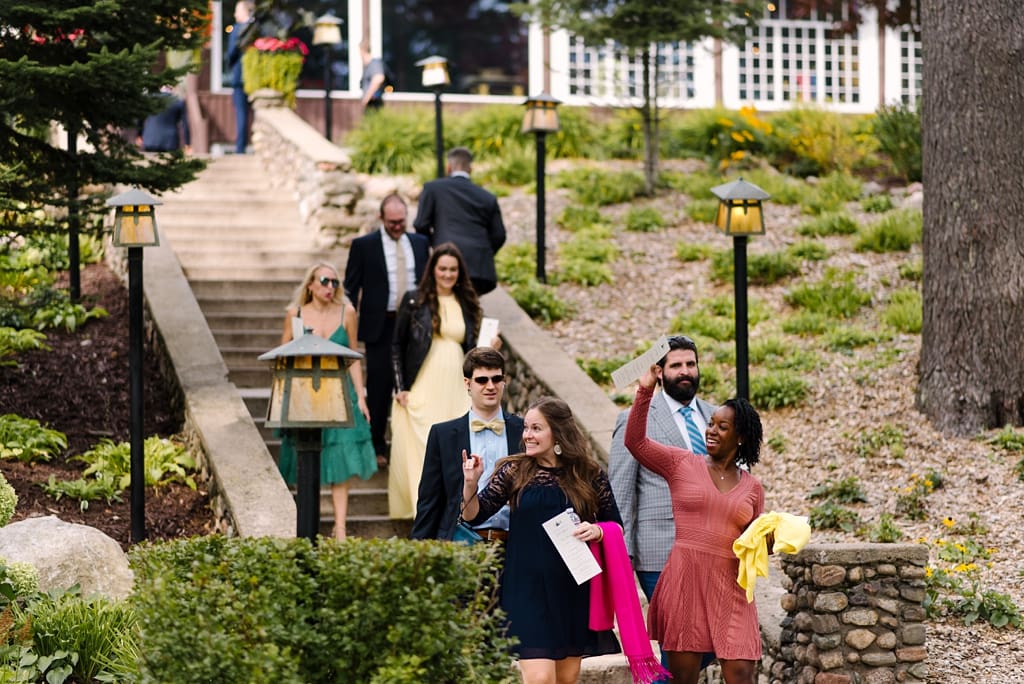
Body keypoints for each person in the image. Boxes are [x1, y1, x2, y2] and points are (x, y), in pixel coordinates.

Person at [461, 396, 622, 684]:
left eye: (536, 428)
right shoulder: (515, 470)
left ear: (557, 432)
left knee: (566, 679)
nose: (527, 435)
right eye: (526, 428)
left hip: (573, 587)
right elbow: (475, 514)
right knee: (539, 679)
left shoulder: (589, 473)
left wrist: (597, 530)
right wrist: (470, 484)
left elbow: (615, 524)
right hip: (526, 588)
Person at [624, 363, 765, 684]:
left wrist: (768, 542)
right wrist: (645, 391)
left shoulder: (753, 488)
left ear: (741, 437)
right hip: (686, 583)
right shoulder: (681, 463)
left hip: (732, 588)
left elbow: (753, 543)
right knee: (683, 678)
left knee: (742, 673)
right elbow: (636, 443)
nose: (711, 431)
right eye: (710, 424)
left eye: (722, 427)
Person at [608, 335, 717, 675]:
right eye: (676, 365)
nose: (685, 371)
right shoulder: (636, 419)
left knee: (708, 645)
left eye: (690, 364)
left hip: (714, 550)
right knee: (680, 641)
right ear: (658, 371)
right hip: (660, 552)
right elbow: (620, 489)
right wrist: (620, 552)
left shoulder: (716, 416)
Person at [388, 243, 493, 519]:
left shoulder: (468, 304)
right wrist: (401, 387)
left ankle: (455, 511)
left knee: (458, 447)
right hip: (424, 382)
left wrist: (490, 346)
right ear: (433, 270)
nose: (447, 274)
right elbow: (397, 346)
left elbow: (475, 349)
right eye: (442, 268)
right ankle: (423, 511)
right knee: (424, 445)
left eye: (453, 269)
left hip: (458, 384)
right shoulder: (414, 301)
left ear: (460, 273)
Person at [275, 262, 377, 540]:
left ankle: (340, 526)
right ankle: (306, 522)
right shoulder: (295, 314)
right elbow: (283, 357)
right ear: (310, 285)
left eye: (335, 282)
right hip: (304, 392)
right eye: (324, 281)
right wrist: (283, 395)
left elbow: (353, 357)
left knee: (341, 456)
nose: (331, 287)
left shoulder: (348, 312)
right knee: (303, 455)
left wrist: (362, 396)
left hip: (339, 391)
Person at [343, 194, 429, 468]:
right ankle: (377, 444)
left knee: (415, 385)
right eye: (391, 222)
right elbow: (350, 288)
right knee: (378, 388)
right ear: (381, 219)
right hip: (380, 325)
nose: (396, 226)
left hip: (414, 325)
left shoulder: (419, 243)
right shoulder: (364, 246)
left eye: (401, 221)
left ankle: (412, 446)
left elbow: (427, 283)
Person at [411, 346, 523, 541]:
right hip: (461, 541)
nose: (490, 386)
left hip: (516, 542)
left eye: (497, 379)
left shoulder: (524, 430)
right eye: (482, 380)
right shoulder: (443, 435)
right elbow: (429, 501)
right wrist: (420, 553)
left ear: (504, 382)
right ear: (467, 383)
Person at [414, 147, 507, 294]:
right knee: (471, 309)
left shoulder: (433, 189)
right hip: (479, 268)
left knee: (446, 309)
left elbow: (420, 224)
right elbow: (499, 235)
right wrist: (483, 253)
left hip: (445, 264)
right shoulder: (487, 197)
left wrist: (438, 247)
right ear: (470, 169)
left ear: (449, 167)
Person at [227, 0, 255, 153]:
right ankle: (258, 148)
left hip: (239, 78)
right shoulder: (257, 30)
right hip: (255, 78)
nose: (234, 14)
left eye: (237, 11)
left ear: (244, 11)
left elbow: (231, 53)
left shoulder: (237, 29)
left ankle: (240, 150)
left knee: (241, 115)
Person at [138, 85, 190, 153]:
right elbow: (185, 124)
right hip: (170, 142)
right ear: (172, 88)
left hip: (150, 140)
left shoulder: (149, 99)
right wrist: (187, 143)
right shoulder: (178, 102)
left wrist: (139, 135)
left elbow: (140, 119)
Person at [359, 40, 388, 111]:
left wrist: (367, 98)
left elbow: (379, 78)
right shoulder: (368, 66)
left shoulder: (374, 63)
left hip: (374, 103)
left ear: (362, 50)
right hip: (371, 103)